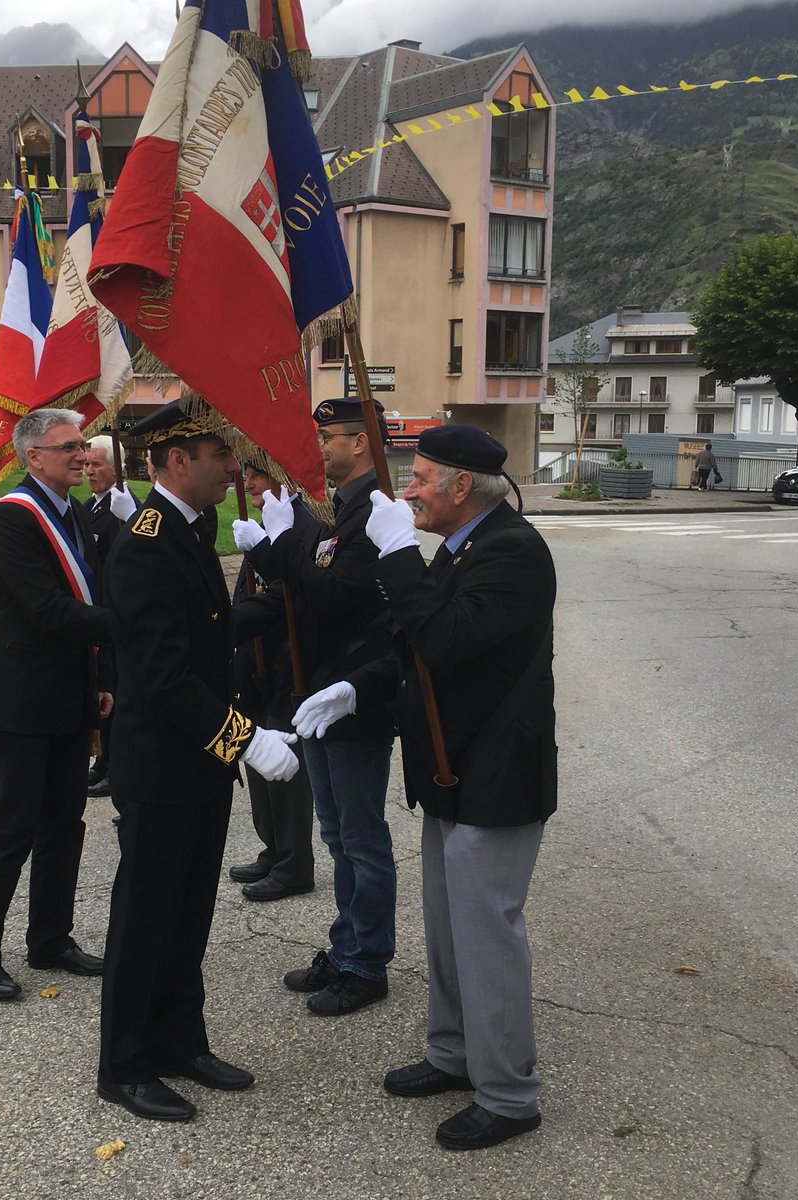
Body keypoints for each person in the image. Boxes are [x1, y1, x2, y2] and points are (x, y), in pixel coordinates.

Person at [293, 424, 557, 1152]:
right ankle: (453, 1053)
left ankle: (508, 1093)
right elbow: (412, 647)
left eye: (420, 478)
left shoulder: (513, 552)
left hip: (496, 773)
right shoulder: (467, 547)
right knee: (446, 928)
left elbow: (444, 639)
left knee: (486, 936)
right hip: (452, 767)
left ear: (461, 488)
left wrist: (398, 554)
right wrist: (356, 686)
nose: (407, 489)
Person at [97, 399, 300, 1123]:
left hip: (198, 766)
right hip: (162, 767)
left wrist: (280, 600)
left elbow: (207, 626)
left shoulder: (189, 527)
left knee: (188, 914)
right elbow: (163, 674)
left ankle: (180, 1041)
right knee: (146, 916)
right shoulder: (147, 541)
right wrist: (244, 738)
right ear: (177, 461)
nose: (231, 468)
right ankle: (123, 1065)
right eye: (220, 455)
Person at [233, 397, 397, 1016]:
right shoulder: (339, 512)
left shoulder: (374, 513)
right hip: (320, 696)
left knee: (361, 839)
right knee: (336, 835)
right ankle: (347, 944)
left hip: (354, 698)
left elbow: (333, 596)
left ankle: (367, 962)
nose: (319, 448)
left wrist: (283, 544)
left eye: (329, 438)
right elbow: (309, 590)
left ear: (361, 443)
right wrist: (285, 548)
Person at [0, 407, 111, 1001]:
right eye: (68, 446)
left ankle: (50, 939)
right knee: (12, 826)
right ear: (33, 457)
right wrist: (133, 626)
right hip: (22, 700)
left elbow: (88, 593)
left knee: (64, 826)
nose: (81, 454)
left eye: (82, 445)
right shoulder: (13, 518)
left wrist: (102, 673)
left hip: (71, 694)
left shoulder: (76, 513)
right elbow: (47, 609)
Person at [228, 464, 319, 902]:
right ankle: (273, 848)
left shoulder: (306, 527)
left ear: (284, 479)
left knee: (284, 762)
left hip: (287, 660)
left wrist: (265, 548)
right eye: (245, 477)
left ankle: (294, 863)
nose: (247, 486)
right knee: (257, 753)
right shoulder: (260, 521)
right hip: (253, 660)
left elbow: (298, 594)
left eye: (257, 478)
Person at [82, 435, 139, 798]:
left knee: (114, 695)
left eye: (96, 464)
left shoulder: (126, 509)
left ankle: (117, 769)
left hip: (115, 617)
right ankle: (103, 762)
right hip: (96, 617)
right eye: (86, 464)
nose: (88, 471)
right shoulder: (89, 507)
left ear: (116, 468)